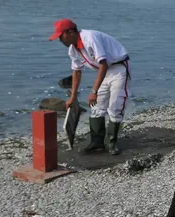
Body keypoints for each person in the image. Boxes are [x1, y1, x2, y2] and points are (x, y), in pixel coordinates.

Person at [49, 19, 130, 155]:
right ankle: (97, 143)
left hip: (118, 67)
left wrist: (94, 91)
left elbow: (103, 64)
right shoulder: (73, 50)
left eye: (60, 36)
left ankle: (112, 143)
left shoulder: (89, 38)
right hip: (105, 70)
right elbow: (76, 72)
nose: (60, 40)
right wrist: (73, 97)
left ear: (70, 32)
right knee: (97, 107)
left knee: (115, 106)